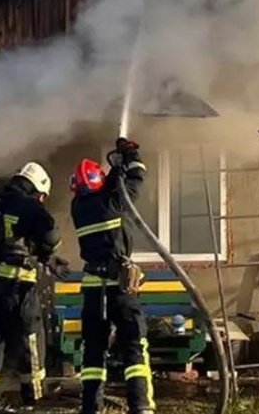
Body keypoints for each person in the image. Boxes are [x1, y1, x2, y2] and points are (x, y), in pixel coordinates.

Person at [0, 160, 69, 410]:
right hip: (21, 287)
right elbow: (50, 236)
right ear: (37, 188)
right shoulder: (31, 207)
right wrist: (49, 253)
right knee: (31, 341)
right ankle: (34, 398)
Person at [71, 138, 153, 414]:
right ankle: (140, 406)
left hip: (94, 289)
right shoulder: (115, 200)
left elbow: (107, 190)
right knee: (133, 347)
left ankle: (90, 408)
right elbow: (137, 176)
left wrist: (114, 171)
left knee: (93, 353)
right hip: (120, 288)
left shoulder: (78, 207)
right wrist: (128, 153)